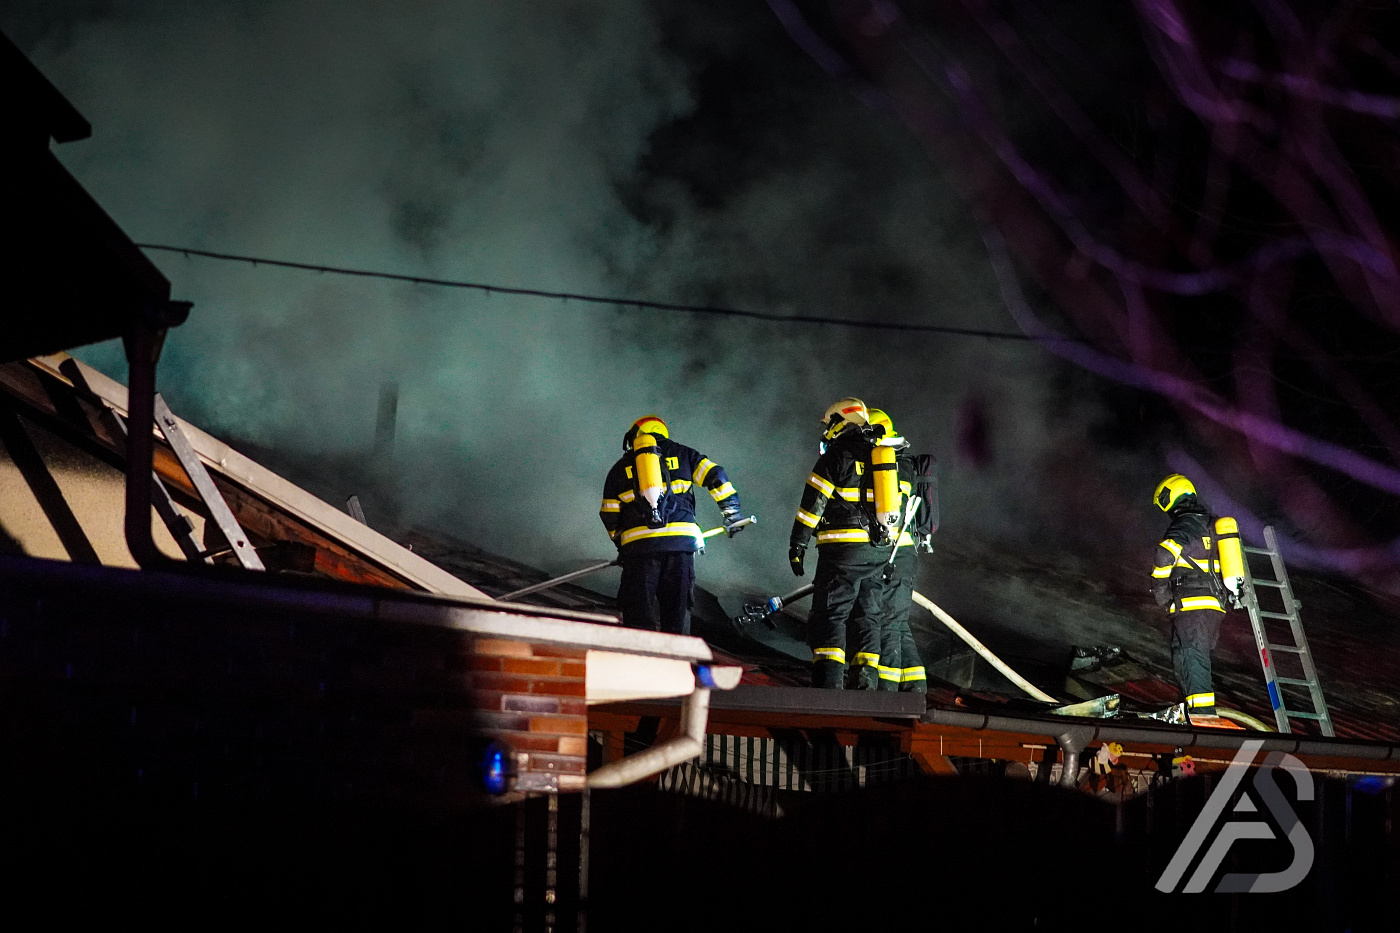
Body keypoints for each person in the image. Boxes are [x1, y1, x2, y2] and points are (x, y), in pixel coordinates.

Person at [600, 415, 746, 635]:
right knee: (677, 613)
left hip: (639, 551)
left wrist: (622, 546)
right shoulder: (685, 455)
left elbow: (609, 514)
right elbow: (715, 476)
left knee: (638, 615)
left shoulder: (619, 469)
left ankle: (639, 654)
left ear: (634, 436)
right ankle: (677, 653)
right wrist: (732, 513)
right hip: (680, 547)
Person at [789, 398, 888, 689]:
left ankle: (828, 687)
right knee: (867, 617)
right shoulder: (881, 456)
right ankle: (865, 688)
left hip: (842, 552)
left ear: (840, 422)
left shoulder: (836, 456)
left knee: (830, 615)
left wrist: (798, 544)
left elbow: (812, 506)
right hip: (877, 551)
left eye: (829, 423)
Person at [1150, 473, 1227, 719]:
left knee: (1192, 657)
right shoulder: (1211, 524)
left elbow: (1165, 555)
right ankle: (1191, 710)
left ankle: (1203, 717)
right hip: (1212, 605)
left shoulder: (1186, 524)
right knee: (1185, 656)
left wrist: (1161, 593)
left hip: (1193, 604)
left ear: (1171, 497)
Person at [864, 408, 929, 694]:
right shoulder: (904, 462)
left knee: (888, 622)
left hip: (893, 554)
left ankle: (887, 691)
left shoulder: (891, 466)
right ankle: (916, 685)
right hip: (904, 554)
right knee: (899, 623)